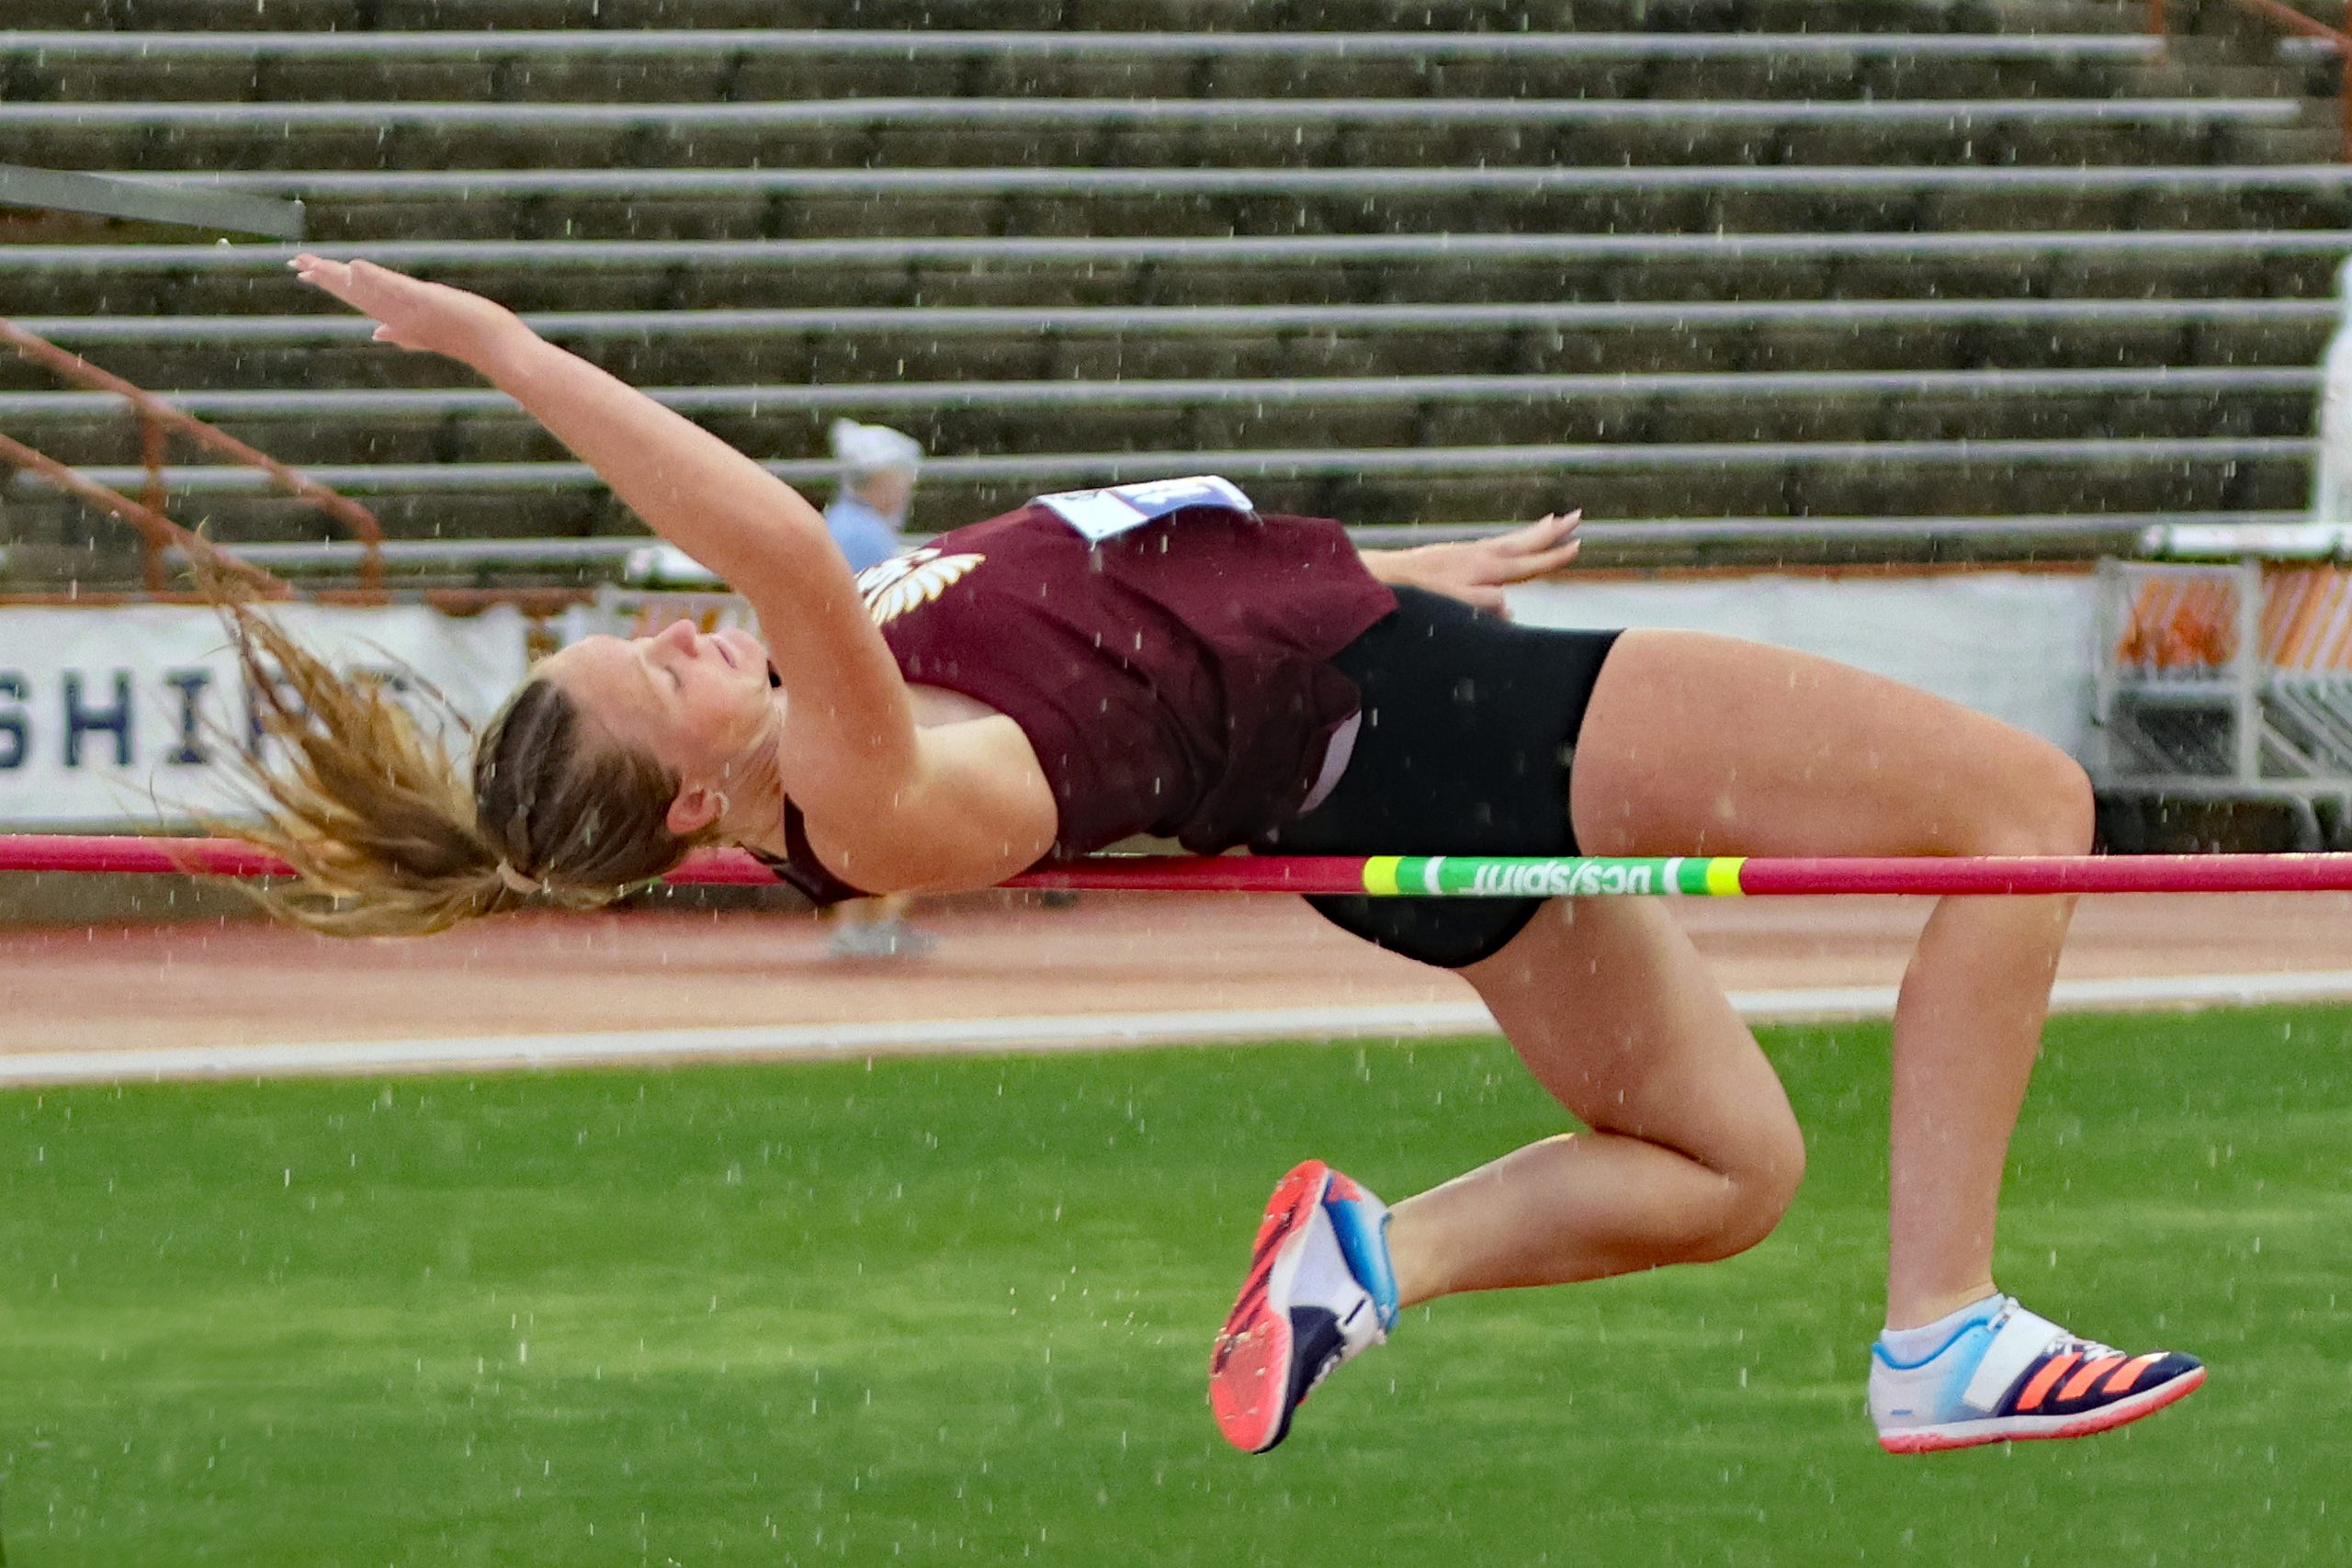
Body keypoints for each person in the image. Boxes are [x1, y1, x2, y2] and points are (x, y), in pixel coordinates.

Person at [225, 255, 2205, 1459]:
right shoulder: (858, 776)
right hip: (1432, 726)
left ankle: (1373, 1254)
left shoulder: (850, 720)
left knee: (1724, 1170)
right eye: (647, 669)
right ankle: (1942, 1324)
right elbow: (755, 530)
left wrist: (1383, 567)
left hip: (1378, 748)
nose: (675, 630)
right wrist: (491, 341)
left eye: (644, 625)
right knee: (2020, 809)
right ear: (683, 805)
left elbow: (1132, 617)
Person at [819, 417, 937, 958]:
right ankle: (872, 918)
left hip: (842, 684)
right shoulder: (862, 533)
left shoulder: (848, 526)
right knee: (893, 799)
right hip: (861, 685)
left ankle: (865, 918)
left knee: (866, 804)